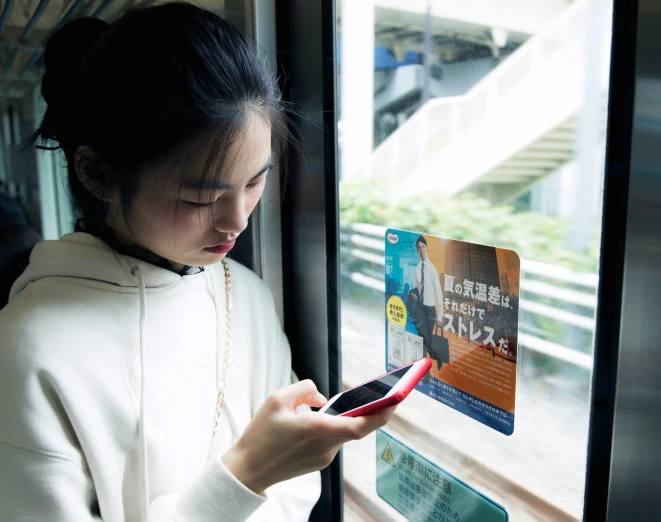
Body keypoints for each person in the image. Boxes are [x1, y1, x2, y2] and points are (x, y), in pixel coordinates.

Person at [0, 4, 392, 521]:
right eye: (202, 199)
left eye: (255, 182)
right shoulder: (30, 348)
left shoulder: (245, 293)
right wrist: (247, 475)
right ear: (98, 175)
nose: (238, 223)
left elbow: (294, 494)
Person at [410, 235, 444, 373]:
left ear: (426, 248)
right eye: (419, 247)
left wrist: (440, 315)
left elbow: (439, 292)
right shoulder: (417, 269)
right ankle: (425, 373)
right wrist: (415, 296)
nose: (421, 249)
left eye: (423, 246)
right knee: (421, 339)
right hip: (420, 308)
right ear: (417, 250)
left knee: (428, 340)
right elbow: (417, 288)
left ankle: (437, 356)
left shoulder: (432, 269)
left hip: (430, 309)